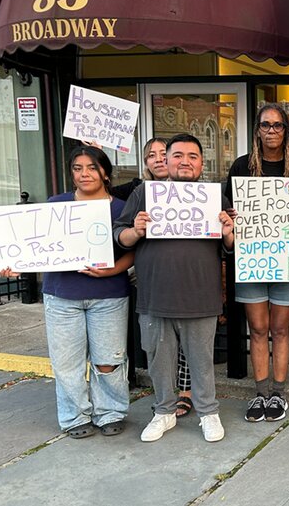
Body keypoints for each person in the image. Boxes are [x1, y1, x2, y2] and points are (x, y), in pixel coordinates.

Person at [0, 146, 134, 438]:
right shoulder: (55, 205)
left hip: (109, 294)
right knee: (68, 364)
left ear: (105, 173)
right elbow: (35, 247)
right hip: (62, 295)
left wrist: (111, 270)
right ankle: (74, 418)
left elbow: (135, 252)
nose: (85, 173)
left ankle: (110, 411)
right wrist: (14, 264)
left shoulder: (121, 208)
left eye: (92, 167)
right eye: (78, 168)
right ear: (71, 173)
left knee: (109, 359)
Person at [114, 133, 235, 443]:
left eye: (192, 156)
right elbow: (120, 236)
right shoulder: (144, 193)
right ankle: (163, 412)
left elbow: (228, 248)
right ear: (164, 161)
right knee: (158, 359)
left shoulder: (215, 197)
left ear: (201, 164)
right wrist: (135, 230)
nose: (185, 161)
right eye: (178, 155)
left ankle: (208, 413)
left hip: (200, 296)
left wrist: (228, 232)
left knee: (201, 360)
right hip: (155, 296)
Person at [225, 104, 289, 423]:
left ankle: (278, 393)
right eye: (266, 125)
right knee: (258, 328)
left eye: (278, 126)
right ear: (257, 130)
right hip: (251, 260)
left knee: (280, 328)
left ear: (286, 131)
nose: (272, 131)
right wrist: (231, 218)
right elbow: (228, 215)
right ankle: (260, 393)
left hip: (285, 260)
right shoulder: (240, 168)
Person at [111, 138, 195, 420]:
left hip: (191, 281)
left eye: (164, 153)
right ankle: (165, 401)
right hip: (154, 280)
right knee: (160, 343)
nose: (159, 159)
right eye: (152, 155)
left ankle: (185, 393)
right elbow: (104, 192)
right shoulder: (139, 192)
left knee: (188, 345)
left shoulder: (201, 191)